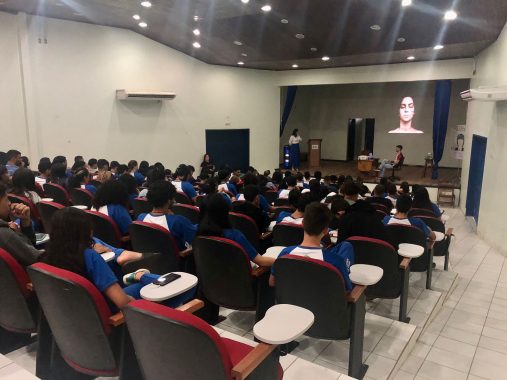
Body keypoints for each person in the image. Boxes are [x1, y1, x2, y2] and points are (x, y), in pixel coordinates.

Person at [44, 207, 193, 310]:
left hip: (85, 309)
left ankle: (140, 276)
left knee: (149, 279)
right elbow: (122, 301)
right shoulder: (90, 257)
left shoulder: (49, 255)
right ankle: (141, 278)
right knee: (184, 287)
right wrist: (143, 308)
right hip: (110, 310)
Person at [269, 202, 355, 291]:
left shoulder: (285, 253)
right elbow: (345, 291)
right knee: (346, 246)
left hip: (289, 302)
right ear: (326, 230)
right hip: (322, 303)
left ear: (302, 223)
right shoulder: (336, 261)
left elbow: (272, 282)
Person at [198, 193, 274, 267]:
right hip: (239, 275)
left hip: (210, 275)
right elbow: (260, 261)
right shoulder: (235, 236)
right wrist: (282, 261)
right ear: (225, 212)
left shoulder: (197, 230)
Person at [137, 181, 197, 251]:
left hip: (149, 258)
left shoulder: (141, 218)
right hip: (176, 259)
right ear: (169, 201)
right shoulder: (178, 221)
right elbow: (194, 237)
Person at [0, 183, 42, 266]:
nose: (9, 203)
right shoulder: (6, 235)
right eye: (6, 199)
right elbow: (37, 259)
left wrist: (25, 221)